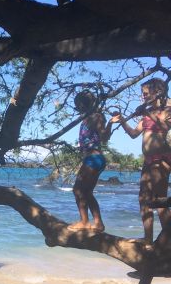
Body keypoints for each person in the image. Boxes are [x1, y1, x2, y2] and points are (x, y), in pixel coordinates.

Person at [111, 78, 171, 243]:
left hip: (162, 160)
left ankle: (168, 241)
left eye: (145, 94)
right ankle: (148, 239)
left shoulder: (168, 108)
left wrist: (146, 112)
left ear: (157, 91)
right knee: (143, 199)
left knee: (159, 201)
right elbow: (133, 134)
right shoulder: (148, 111)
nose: (142, 98)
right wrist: (122, 120)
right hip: (148, 160)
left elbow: (166, 128)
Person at [69, 90, 113, 232]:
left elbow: (104, 137)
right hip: (92, 158)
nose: (77, 108)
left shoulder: (96, 116)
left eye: (78, 105)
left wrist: (111, 123)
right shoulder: (89, 117)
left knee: (78, 190)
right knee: (86, 192)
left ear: (83, 103)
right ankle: (98, 224)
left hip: (94, 158)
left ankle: (85, 222)